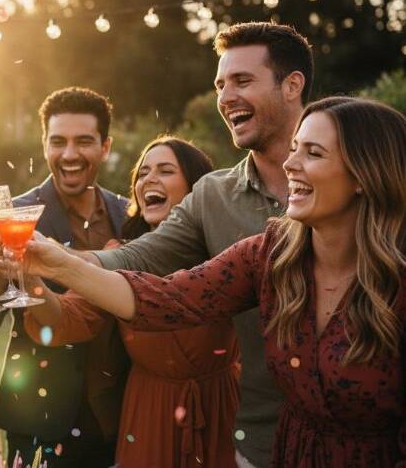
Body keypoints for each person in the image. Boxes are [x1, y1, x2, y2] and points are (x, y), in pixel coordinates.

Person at [25, 96, 406, 468]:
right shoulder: (269, 253)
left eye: (313, 153)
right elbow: (168, 299)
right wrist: (58, 266)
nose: (290, 164)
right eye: (294, 149)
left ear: (363, 174)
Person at [69, 21, 313, 468]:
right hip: (259, 441)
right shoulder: (213, 196)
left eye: (242, 80)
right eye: (221, 84)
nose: (225, 97)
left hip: (359, 432)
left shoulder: (354, 176)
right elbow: (139, 257)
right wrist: (58, 256)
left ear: (292, 85)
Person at [26, 136, 240, 468]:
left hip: (221, 407)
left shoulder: (226, 250)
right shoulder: (119, 255)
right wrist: (27, 279)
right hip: (150, 412)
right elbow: (65, 320)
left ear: (198, 190)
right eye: (143, 173)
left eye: (165, 171)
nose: (148, 179)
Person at [0, 87, 129, 467]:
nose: (69, 154)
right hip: (38, 412)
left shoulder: (127, 212)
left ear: (105, 147)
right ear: (45, 144)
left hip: (119, 412)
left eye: (83, 141)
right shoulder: (13, 214)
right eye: (58, 142)